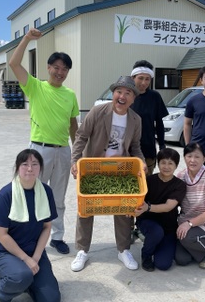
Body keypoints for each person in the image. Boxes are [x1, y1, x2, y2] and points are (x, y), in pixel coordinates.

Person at [9, 28, 79, 255]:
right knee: (32, 193)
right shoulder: (36, 87)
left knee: (58, 198)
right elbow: (14, 64)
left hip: (63, 152)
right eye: (56, 67)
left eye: (64, 69)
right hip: (38, 151)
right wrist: (27, 38)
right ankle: (28, 237)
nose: (60, 72)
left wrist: (76, 155)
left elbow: (73, 125)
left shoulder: (70, 94)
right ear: (48, 68)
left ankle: (57, 237)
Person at [69, 76, 147, 272]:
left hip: (120, 170)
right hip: (93, 167)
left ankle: (123, 249)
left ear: (133, 98)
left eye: (127, 93)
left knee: (123, 209)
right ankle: (82, 250)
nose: (122, 96)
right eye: (119, 92)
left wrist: (142, 162)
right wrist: (75, 161)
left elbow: (135, 146)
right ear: (113, 94)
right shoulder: (97, 112)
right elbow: (81, 136)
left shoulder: (136, 120)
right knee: (86, 209)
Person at [0, 149, 60, 302]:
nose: (29, 168)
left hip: (34, 251)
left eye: (35, 164)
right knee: (21, 276)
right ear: (17, 167)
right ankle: (2, 288)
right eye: (25, 164)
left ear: (40, 168)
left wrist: (36, 257)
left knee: (51, 299)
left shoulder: (45, 192)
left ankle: (27, 283)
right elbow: (1, 234)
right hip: (4, 252)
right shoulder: (5, 194)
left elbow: (47, 227)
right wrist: (27, 260)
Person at [134, 148, 186, 272]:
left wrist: (149, 207)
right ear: (158, 163)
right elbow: (136, 198)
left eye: (170, 163)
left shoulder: (179, 185)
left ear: (176, 166)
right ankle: (146, 255)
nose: (166, 167)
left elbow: (169, 206)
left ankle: (155, 244)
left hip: (168, 226)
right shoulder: (149, 180)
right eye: (163, 162)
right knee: (156, 232)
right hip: (148, 221)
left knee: (163, 264)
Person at [130, 60, 169, 175]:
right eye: (140, 78)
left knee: (146, 182)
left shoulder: (154, 96)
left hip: (148, 146)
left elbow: (159, 122)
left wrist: (162, 145)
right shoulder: (127, 94)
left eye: (147, 79)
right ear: (133, 78)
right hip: (127, 147)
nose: (144, 82)